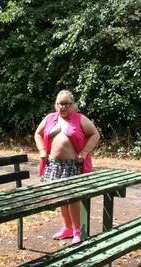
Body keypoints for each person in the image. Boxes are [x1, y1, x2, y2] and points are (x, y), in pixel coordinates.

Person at [34, 90, 100, 244]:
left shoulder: (79, 118)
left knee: (73, 199)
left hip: (72, 166)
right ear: (55, 105)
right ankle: (67, 228)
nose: (62, 107)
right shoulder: (50, 118)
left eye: (66, 104)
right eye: (59, 104)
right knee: (60, 198)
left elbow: (94, 134)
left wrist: (84, 152)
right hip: (54, 165)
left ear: (73, 105)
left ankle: (78, 231)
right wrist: (42, 150)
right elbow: (37, 133)